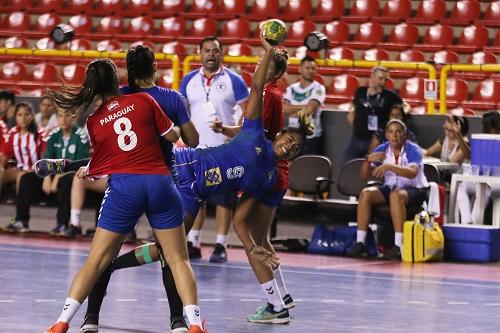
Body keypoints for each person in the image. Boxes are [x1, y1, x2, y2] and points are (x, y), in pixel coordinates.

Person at [37, 36, 310, 329]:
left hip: (165, 186)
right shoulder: (243, 128)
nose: (291, 146)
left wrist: (254, 246)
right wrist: (268, 54)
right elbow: (189, 137)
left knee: (138, 253)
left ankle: (98, 294)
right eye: (290, 139)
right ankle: (182, 321)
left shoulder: (266, 176)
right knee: (176, 257)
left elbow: (242, 220)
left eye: (296, 147)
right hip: (175, 173)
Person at [43, 59, 207, 333]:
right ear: (117, 78)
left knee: (96, 261)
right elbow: (171, 136)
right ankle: (193, 325)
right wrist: (177, 128)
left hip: (124, 188)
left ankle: (62, 323)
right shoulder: (144, 100)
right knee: (178, 259)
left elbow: (102, 163)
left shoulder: (94, 122)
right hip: (160, 183)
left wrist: (87, 170)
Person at [62, 45, 199, 239]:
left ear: (128, 70)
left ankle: (121, 243)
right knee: (172, 254)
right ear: (155, 66)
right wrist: (177, 123)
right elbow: (193, 140)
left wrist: (92, 167)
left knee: (103, 255)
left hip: (124, 181)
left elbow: (105, 143)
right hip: (163, 179)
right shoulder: (173, 99)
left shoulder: (117, 99)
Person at [180, 36, 249, 263]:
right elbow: (182, 113)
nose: (211, 54)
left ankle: (221, 244)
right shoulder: (188, 80)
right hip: (196, 150)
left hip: (224, 149)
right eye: (207, 50)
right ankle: (194, 241)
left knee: (223, 200)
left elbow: (248, 113)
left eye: (215, 51)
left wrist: (236, 137)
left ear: (222, 53)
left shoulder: (235, 80)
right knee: (196, 195)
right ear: (199, 52)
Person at [347, 119, 429, 260]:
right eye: (391, 132)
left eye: (398, 132)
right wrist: (367, 161)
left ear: (404, 135)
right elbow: (364, 176)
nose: (394, 135)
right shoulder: (382, 149)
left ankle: (398, 246)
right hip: (391, 187)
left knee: (395, 196)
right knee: (366, 194)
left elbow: (412, 172)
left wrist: (390, 167)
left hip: (416, 190)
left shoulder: (412, 149)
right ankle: (360, 243)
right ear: (386, 135)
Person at [12, 108, 90, 235]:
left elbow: (79, 165)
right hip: (53, 174)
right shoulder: (54, 134)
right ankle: (21, 220)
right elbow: (46, 161)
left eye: (67, 115)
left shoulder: (81, 135)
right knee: (26, 178)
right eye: (60, 116)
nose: (63, 119)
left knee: (67, 180)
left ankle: (62, 224)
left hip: (73, 175)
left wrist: (58, 177)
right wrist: (46, 178)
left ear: (74, 117)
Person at [342, 66, 402, 166]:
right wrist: (356, 124)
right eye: (380, 78)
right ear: (372, 77)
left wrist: (404, 111)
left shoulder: (390, 95)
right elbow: (353, 109)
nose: (383, 82)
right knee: (346, 165)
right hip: (356, 138)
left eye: (385, 80)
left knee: (371, 168)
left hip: (376, 141)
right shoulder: (360, 91)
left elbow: (404, 106)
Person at [1, 102, 45, 232]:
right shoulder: (13, 133)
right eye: (20, 115)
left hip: (36, 172)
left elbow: (46, 157)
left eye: (27, 114)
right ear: (15, 117)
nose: (23, 118)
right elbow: (4, 156)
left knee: (23, 176)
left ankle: (21, 220)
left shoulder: (40, 133)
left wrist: (31, 170)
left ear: (32, 116)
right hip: (20, 169)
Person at [456, 111, 500, 225]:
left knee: (483, 189)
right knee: (461, 186)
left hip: (496, 182)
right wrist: (458, 135)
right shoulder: (481, 140)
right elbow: (469, 155)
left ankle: (475, 225)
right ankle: (467, 221)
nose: (483, 128)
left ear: (494, 127)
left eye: (485, 126)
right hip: (479, 177)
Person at [283, 55, 325, 155]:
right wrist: (304, 107)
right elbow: (284, 109)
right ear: (300, 69)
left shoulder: (318, 88)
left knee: (309, 167)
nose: (310, 71)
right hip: (292, 135)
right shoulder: (292, 88)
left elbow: (309, 110)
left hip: (311, 137)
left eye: (313, 68)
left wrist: (293, 110)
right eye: (307, 68)